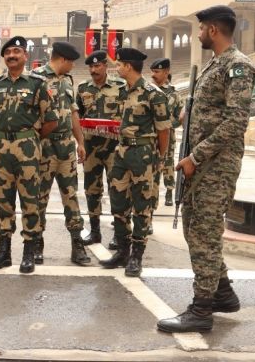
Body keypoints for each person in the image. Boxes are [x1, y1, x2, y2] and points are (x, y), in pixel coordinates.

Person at [158, 5, 255, 333]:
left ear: (213, 30)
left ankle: (201, 310)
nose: (197, 34)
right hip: (202, 165)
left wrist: (194, 157)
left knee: (204, 231)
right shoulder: (215, 65)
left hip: (217, 166)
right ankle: (223, 293)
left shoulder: (237, 66)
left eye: (200, 29)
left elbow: (235, 122)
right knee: (194, 228)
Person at [0, 36, 57, 274]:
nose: (12, 55)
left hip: (27, 148)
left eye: (17, 51)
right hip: (2, 146)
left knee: (29, 200)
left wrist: (30, 136)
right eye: (8, 52)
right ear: (4, 57)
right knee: (2, 201)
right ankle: (4, 252)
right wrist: (8, 135)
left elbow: (51, 121)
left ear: (25, 56)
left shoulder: (38, 83)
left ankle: (29, 252)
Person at [100, 48, 170, 277]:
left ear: (128, 67)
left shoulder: (153, 94)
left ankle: (136, 256)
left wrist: (160, 158)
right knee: (118, 201)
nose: (116, 68)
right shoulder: (123, 91)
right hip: (121, 151)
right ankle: (122, 250)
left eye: (119, 64)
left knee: (142, 205)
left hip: (143, 153)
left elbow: (164, 130)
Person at [32, 42, 90, 266]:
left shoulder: (67, 80)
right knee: (39, 199)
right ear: (63, 59)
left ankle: (77, 245)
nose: (73, 66)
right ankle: (37, 243)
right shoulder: (35, 78)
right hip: (44, 147)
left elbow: (73, 112)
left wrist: (80, 142)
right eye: (72, 62)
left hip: (66, 149)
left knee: (71, 197)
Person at [76, 50, 126, 247]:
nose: (93, 70)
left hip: (114, 148)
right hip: (91, 148)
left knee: (117, 189)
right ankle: (95, 231)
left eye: (97, 66)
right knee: (91, 189)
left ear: (106, 66)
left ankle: (119, 233)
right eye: (91, 67)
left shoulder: (120, 87)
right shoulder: (82, 88)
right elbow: (77, 116)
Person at [150, 58, 183, 207]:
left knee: (168, 163)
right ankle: (152, 198)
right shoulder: (149, 91)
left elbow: (180, 116)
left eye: (156, 72)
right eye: (152, 72)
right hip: (151, 136)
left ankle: (169, 190)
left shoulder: (174, 94)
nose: (153, 75)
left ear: (166, 72)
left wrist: (168, 125)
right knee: (152, 167)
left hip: (168, 135)